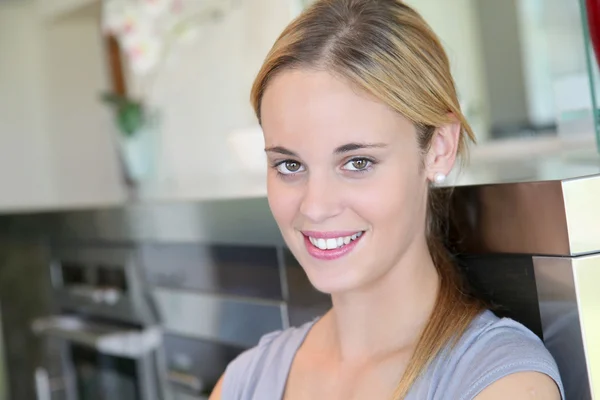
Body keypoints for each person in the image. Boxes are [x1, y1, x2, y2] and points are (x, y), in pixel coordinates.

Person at [210, 0, 564, 398]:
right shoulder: (245, 381)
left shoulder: (500, 383)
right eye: (290, 166)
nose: (315, 206)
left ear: (439, 148)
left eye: (357, 162)